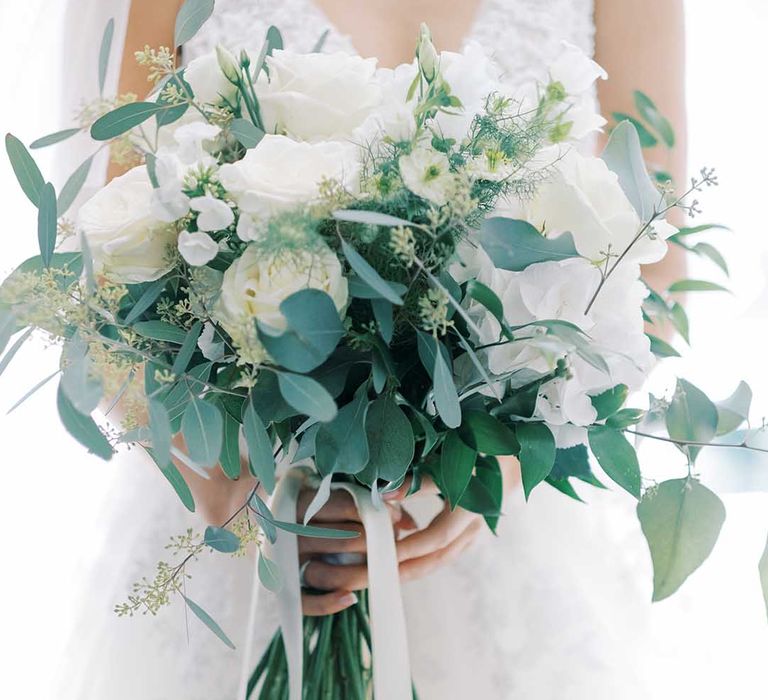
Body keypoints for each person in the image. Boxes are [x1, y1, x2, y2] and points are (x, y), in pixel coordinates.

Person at [60, 1, 688, 698]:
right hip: (246, 509)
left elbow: (657, 265)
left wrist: (506, 464)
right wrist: (221, 485)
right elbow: (108, 260)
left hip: (491, 530)